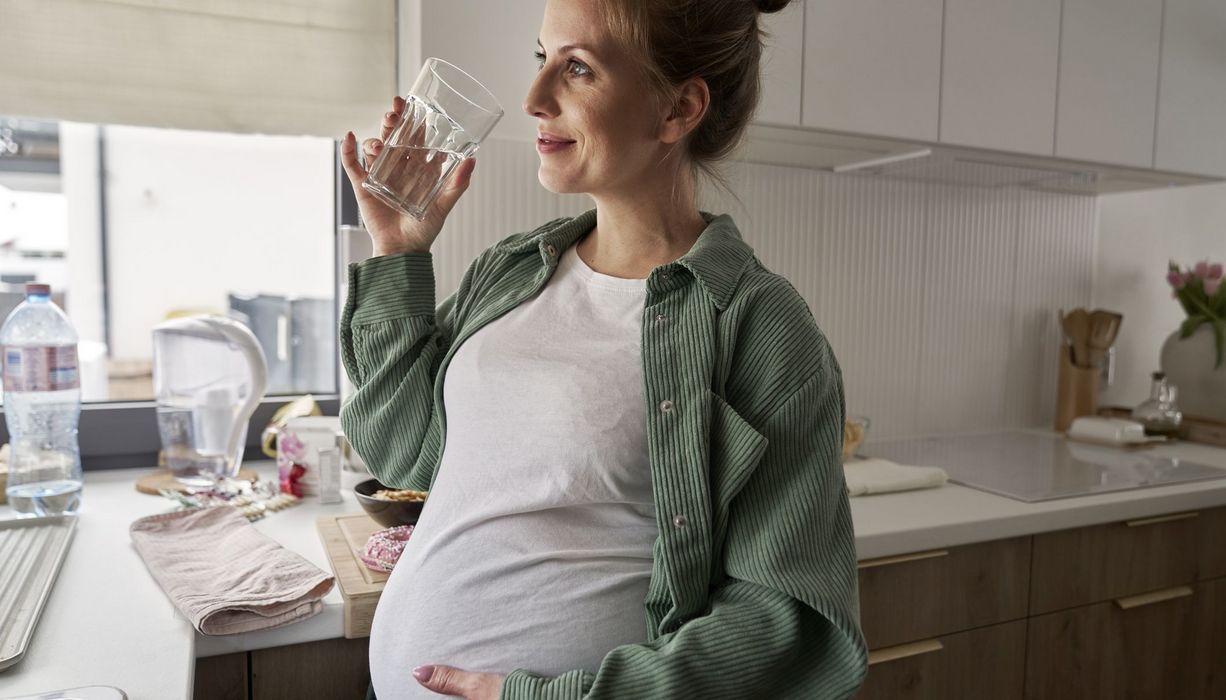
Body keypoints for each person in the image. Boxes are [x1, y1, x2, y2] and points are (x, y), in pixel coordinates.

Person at [338, 0, 868, 697]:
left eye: (578, 68)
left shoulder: (760, 327)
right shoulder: (513, 268)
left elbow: (786, 622)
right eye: (541, 58)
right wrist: (397, 254)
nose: (533, 98)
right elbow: (400, 451)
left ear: (677, 108)